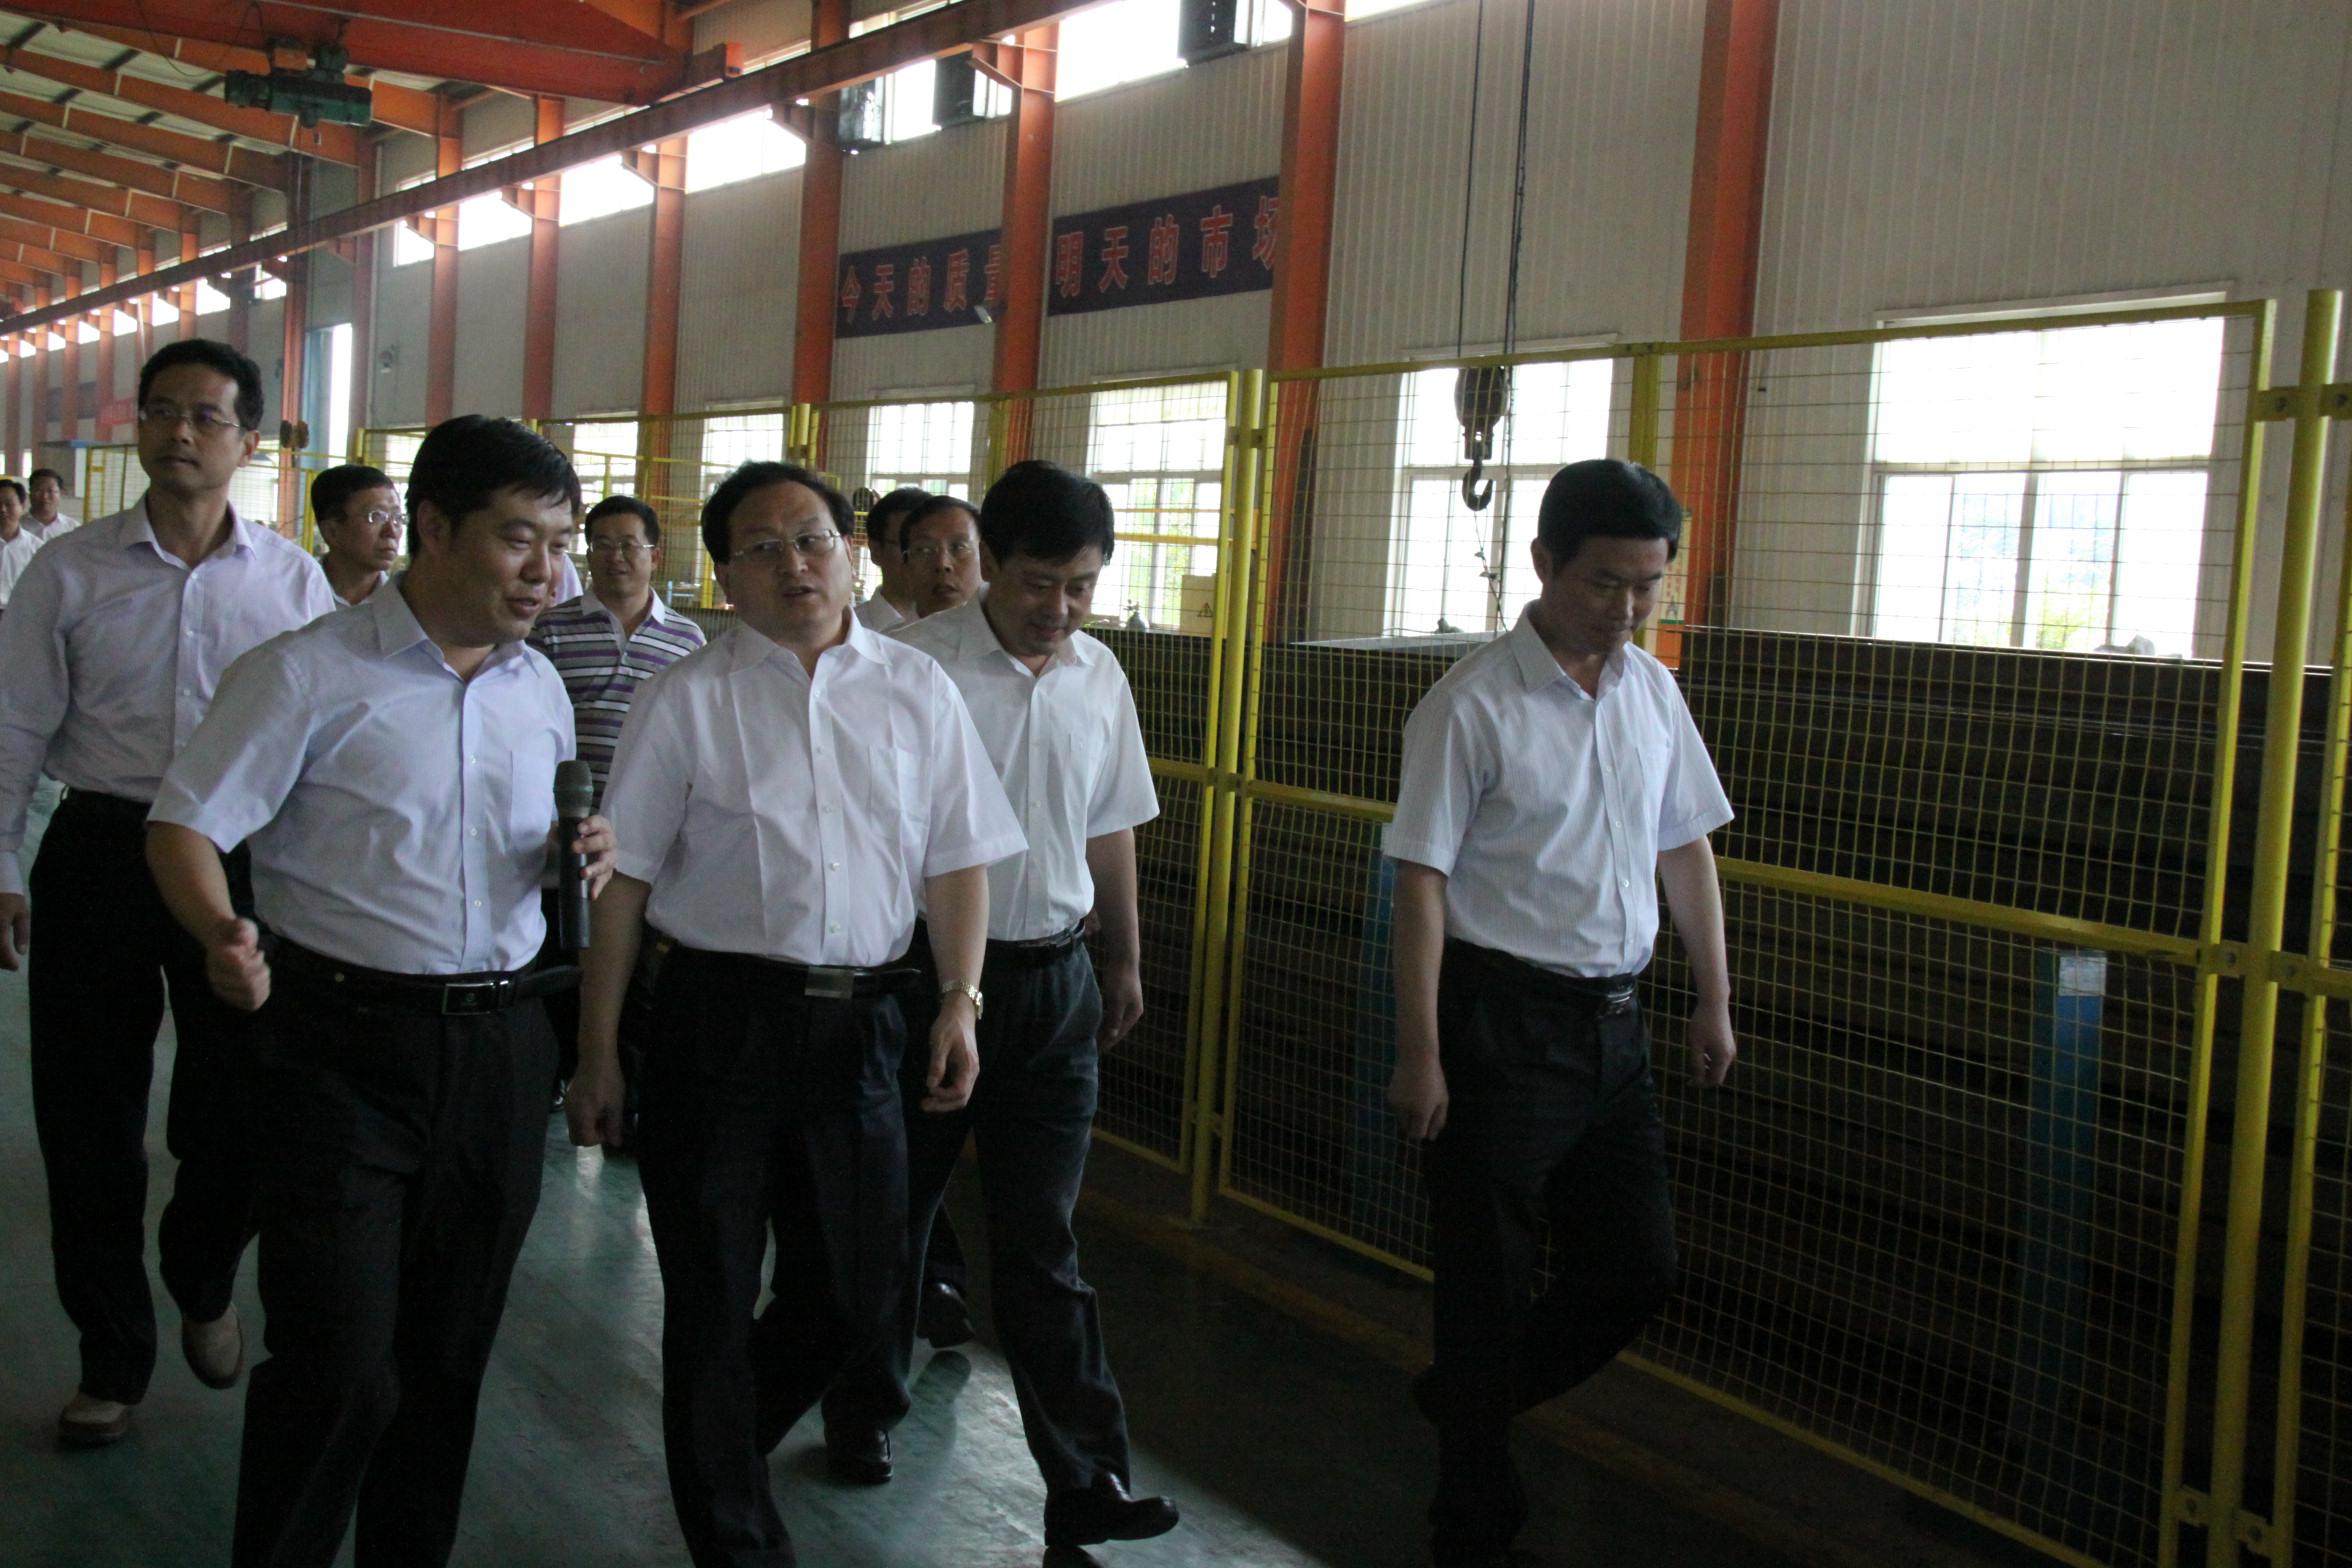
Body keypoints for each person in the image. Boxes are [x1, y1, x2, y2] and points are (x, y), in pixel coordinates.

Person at [145, 414, 612, 1568]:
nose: (546, 572)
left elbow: (517, 853)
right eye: (520, 539)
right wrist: (219, 930)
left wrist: (579, 855)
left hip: (499, 1048)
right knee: (340, 1364)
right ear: (435, 528)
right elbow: (184, 824)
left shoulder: (539, 688)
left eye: (560, 545)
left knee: (447, 1359)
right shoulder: (309, 671)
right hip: (336, 1047)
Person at [566, 459, 1022, 1568]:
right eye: (762, 548)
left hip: (867, 1025)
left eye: (812, 539)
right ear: (725, 576)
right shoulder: (688, 696)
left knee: (860, 1294)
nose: (795, 565)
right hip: (717, 1022)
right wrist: (598, 1052)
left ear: (852, 553)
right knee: (712, 1290)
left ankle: (721, 1441)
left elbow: (959, 857)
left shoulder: (916, 690)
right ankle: (733, 1532)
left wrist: (959, 999)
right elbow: (625, 885)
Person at [1384, 458, 1738, 1568]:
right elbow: (1422, 882)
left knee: (1637, 1266)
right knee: (1485, 1284)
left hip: (1615, 1029)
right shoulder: (1471, 705)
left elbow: (1685, 843)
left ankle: (1468, 1396)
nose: (1627, 608)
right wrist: (1422, 1052)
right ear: (1543, 563)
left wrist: (1714, 996)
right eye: (1603, 583)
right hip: (1498, 1023)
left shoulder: (1652, 693)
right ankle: (1473, 1524)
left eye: (1649, 585)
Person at [824, 459, 1178, 1549]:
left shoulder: (1098, 675)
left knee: (1042, 1239)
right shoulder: (911, 670)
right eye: (1038, 583)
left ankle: (1085, 1476)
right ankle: (862, 1404)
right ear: (988, 561)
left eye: (1082, 586)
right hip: (924, 987)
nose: (1060, 608)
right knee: (894, 1216)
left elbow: (1110, 823)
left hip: (1055, 988)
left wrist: (1123, 958)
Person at [0, 339, 337, 1451]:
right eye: (160, 411)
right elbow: (12, 726)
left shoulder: (290, 580)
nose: (179, 431)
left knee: (243, 1100)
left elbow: (323, 742)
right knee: (86, 1116)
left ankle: (201, 1269)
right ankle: (111, 1356)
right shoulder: (69, 569)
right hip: (100, 847)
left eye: (205, 415)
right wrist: (1, 866)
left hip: (237, 858)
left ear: (250, 441)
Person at [526, 493, 706, 1105]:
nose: (616, 557)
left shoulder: (687, 639)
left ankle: (626, 1088)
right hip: (567, 834)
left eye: (629, 544)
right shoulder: (551, 629)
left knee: (638, 971)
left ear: (655, 554)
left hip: (645, 839)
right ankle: (560, 1074)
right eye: (601, 545)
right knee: (562, 956)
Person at [310, 462, 404, 608]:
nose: (391, 531)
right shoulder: (294, 594)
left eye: (397, 517)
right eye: (376, 516)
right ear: (332, 532)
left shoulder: (403, 605)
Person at [854, 484, 929, 631]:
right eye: (907, 545)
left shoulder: (957, 628)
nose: (922, 559)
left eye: (928, 548)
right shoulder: (850, 631)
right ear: (876, 550)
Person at [903, 494, 983, 619]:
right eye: (925, 550)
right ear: (906, 567)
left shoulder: (1011, 631)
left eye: (959, 547)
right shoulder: (887, 633)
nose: (942, 564)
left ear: (987, 560)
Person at [0, 477, 41, 612]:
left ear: (22, 506)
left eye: (9, 504)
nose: (3, 509)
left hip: (18, 613)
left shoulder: (36, 547)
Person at [26, 466, 79, 541]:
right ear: (30, 492)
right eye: (39, 490)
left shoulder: (72, 528)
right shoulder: (18, 527)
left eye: (50, 491)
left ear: (60, 493)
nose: (44, 496)